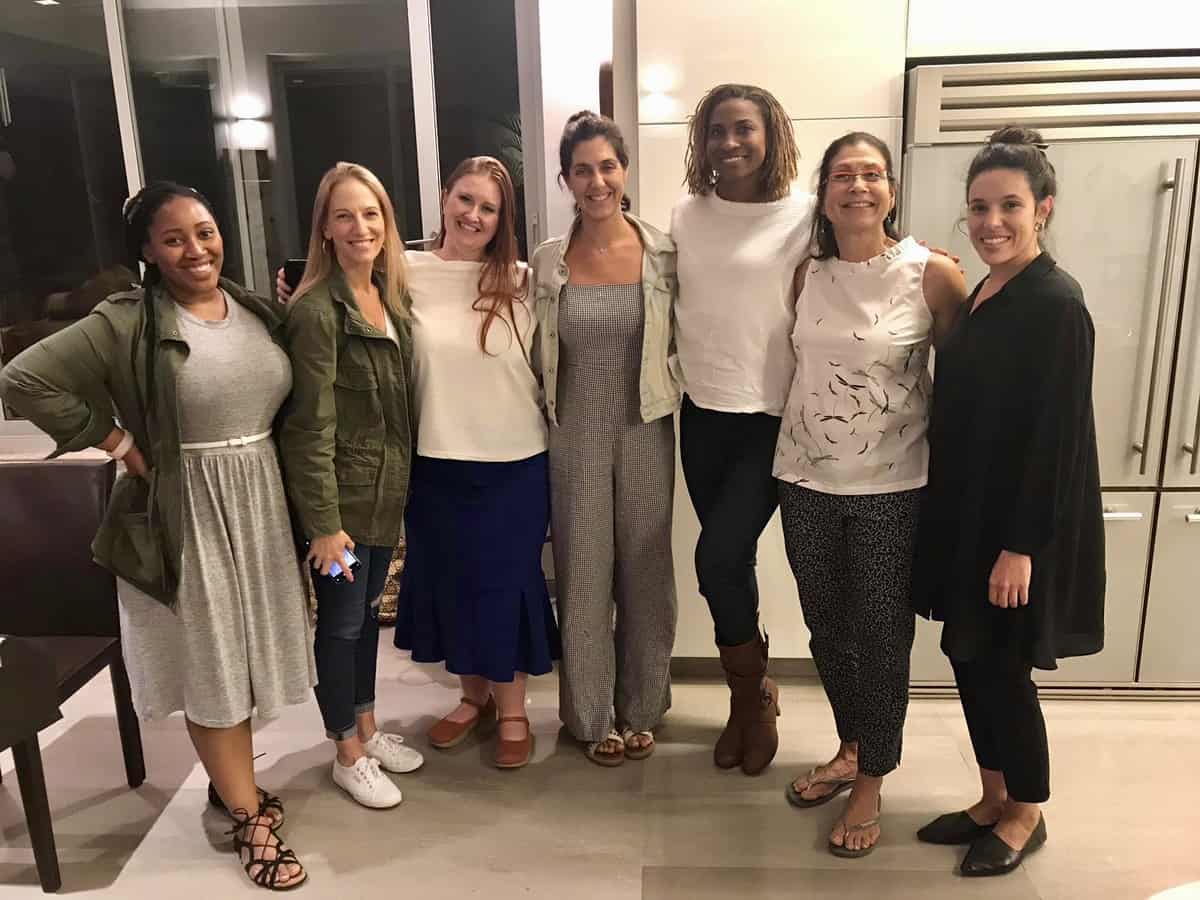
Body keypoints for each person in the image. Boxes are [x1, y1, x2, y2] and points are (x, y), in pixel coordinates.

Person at [0, 181, 313, 891]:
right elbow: (23, 378)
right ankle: (248, 814)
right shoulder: (126, 320)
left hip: (258, 499)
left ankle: (227, 781)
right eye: (174, 238)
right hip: (187, 507)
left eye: (204, 231)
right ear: (146, 250)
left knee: (246, 658)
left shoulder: (252, 307)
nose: (195, 249)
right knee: (211, 663)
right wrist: (116, 441)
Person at [912, 126, 1105, 877]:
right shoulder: (989, 290)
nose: (992, 222)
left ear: (1043, 209)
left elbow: (1057, 439)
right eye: (979, 208)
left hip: (1014, 529)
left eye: (1010, 207)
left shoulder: (1056, 303)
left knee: (1001, 670)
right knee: (968, 656)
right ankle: (991, 796)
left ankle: (1026, 810)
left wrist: (1021, 545)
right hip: (967, 515)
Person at [775, 133, 966, 857]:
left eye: (872, 174)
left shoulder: (930, 274)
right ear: (824, 194)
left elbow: (962, 384)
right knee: (828, 628)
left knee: (881, 635)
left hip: (892, 486)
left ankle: (872, 778)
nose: (857, 186)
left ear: (891, 189)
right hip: (804, 479)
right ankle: (853, 744)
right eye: (842, 176)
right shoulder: (806, 274)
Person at [392, 156, 559, 769]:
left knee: (505, 583)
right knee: (453, 582)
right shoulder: (404, 272)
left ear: (502, 219)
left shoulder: (523, 278)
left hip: (515, 461)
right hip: (435, 460)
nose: (473, 215)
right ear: (443, 198)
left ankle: (513, 709)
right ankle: (473, 699)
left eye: (488, 208)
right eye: (465, 199)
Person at [531, 112, 679, 766]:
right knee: (583, 572)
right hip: (574, 430)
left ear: (625, 171)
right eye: (583, 170)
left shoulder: (663, 251)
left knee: (647, 569)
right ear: (566, 179)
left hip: (646, 419)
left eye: (607, 166)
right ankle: (590, 715)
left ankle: (643, 705)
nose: (597, 181)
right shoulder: (546, 262)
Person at [670, 83, 809, 775]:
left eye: (744, 128)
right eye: (717, 130)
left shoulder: (807, 216)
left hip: (772, 418)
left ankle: (751, 696)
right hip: (701, 414)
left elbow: (875, 257)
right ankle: (747, 699)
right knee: (733, 563)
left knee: (717, 557)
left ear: (770, 133)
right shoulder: (687, 215)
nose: (730, 142)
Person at [279, 161, 424, 810]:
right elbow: (308, 428)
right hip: (338, 508)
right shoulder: (316, 310)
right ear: (325, 229)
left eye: (370, 213)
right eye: (344, 215)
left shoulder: (386, 296)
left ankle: (366, 727)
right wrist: (322, 524)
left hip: (381, 497)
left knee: (363, 619)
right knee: (339, 625)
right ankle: (345, 751)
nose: (360, 226)